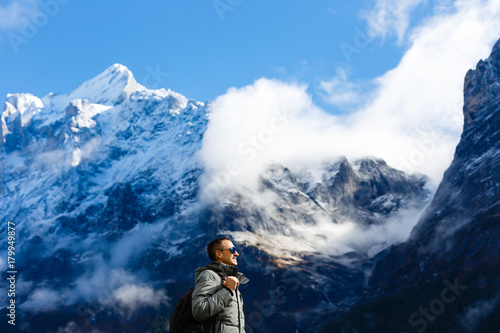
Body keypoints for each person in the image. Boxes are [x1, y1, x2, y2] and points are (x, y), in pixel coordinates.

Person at [192, 237, 250, 333]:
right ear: (219, 254)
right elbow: (199, 311)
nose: (237, 254)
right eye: (232, 250)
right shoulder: (209, 275)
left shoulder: (228, 280)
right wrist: (227, 291)